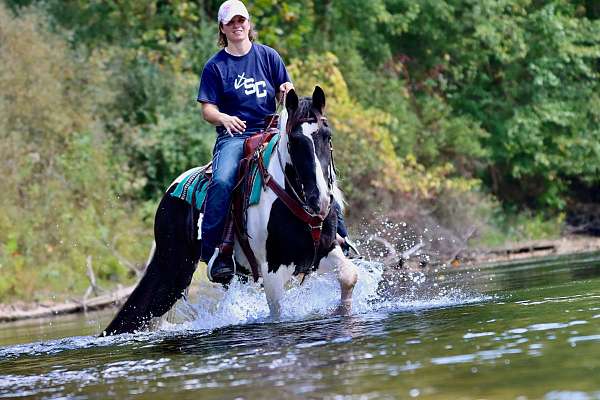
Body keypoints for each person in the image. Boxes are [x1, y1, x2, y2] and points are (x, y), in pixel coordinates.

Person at [197, 0, 356, 284]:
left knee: (317, 167)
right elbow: (207, 109)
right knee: (221, 181)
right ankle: (216, 251)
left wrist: (286, 90)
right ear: (222, 27)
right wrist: (223, 118)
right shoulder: (215, 66)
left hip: (270, 130)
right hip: (235, 137)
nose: (237, 26)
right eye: (231, 22)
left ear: (248, 24)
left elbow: (288, 91)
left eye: (241, 20)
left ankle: (340, 236)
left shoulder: (268, 56)